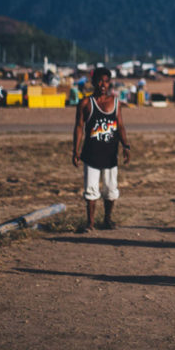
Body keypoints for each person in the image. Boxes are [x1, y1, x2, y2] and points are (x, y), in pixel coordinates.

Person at [72, 67, 131, 232]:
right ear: (93, 82)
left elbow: (120, 126)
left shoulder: (115, 102)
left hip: (110, 153)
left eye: (106, 81)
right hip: (91, 154)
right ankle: (90, 224)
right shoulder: (85, 103)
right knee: (91, 190)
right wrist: (75, 151)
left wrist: (125, 145)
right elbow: (78, 128)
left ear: (109, 83)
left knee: (111, 189)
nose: (102, 84)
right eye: (99, 81)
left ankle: (107, 219)